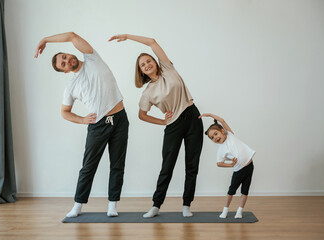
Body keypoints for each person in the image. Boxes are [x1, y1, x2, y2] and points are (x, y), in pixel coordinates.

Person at [34, 32, 129, 218]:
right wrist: (82, 119)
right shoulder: (71, 86)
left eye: (65, 57)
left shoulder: (93, 59)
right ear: (65, 72)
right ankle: (78, 205)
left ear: (70, 55)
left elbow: (71, 36)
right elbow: (64, 112)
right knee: (88, 167)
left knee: (117, 164)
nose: (67, 61)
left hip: (120, 119)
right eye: (63, 64)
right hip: (98, 125)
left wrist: (44, 39)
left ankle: (112, 205)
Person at [109, 34, 203, 218]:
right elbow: (141, 115)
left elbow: (152, 42)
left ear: (155, 61)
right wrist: (162, 121)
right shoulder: (148, 92)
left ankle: (186, 205)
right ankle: (156, 205)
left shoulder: (168, 69)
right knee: (167, 167)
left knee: (192, 165)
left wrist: (127, 36)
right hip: (173, 125)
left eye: (149, 60)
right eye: (143, 65)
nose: (147, 65)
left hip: (193, 117)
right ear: (141, 71)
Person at [199, 113, 255, 218]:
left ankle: (240, 211)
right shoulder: (221, 150)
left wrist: (210, 115)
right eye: (212, 137)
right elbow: (219, 163)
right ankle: (225, 210)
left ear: (222, 131)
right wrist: (231, 165)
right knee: (231, 191)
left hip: (249, 166)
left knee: (245, 191)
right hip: (238, 170)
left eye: (216, 134)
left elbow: (222, 121)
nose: (215, 138)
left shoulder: (230, 135)